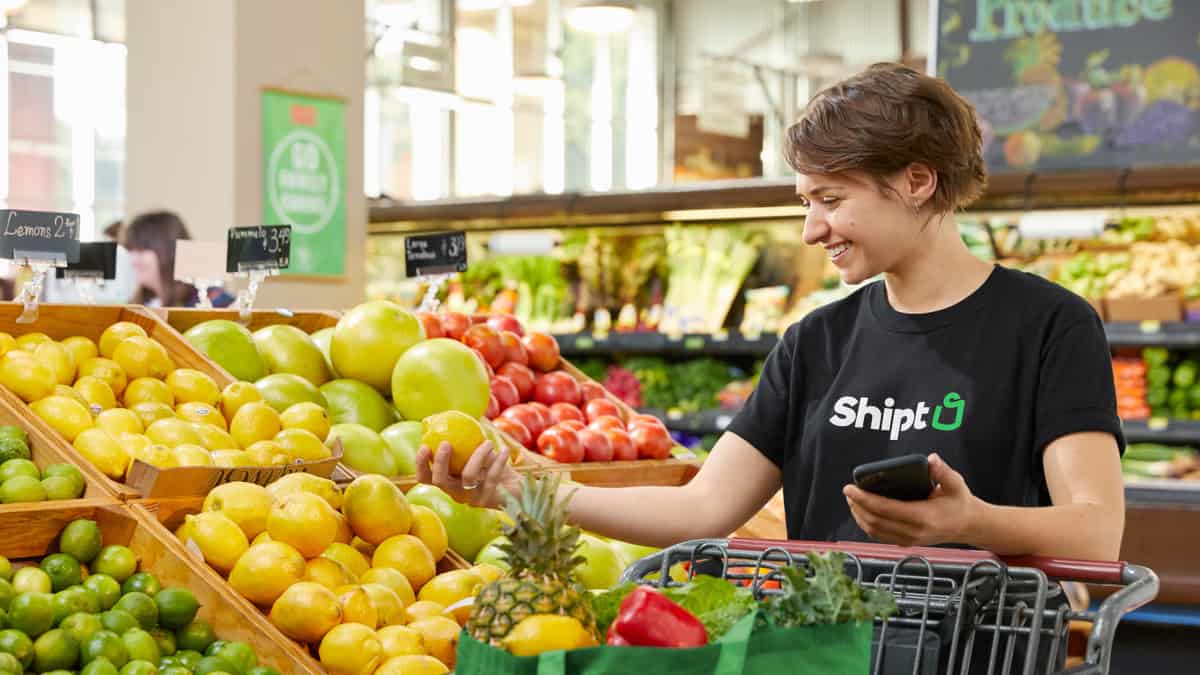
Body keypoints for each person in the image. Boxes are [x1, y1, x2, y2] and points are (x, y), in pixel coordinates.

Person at [417, 63, 1125, 563]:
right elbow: (701, 510)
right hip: (823, 646)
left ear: (916, 181)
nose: (813, 231)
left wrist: (971, 520)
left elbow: (1097, 532)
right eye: (805, 203)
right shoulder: (816, 341)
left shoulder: (1050, 327)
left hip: (979, 648)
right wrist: (525, 488)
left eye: (831, 199)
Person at [123, 210, 234, 308]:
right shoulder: (139, 306)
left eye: (141, 250)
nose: (133, 260)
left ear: (168, 250)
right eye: (131, 250)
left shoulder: (216, 303)